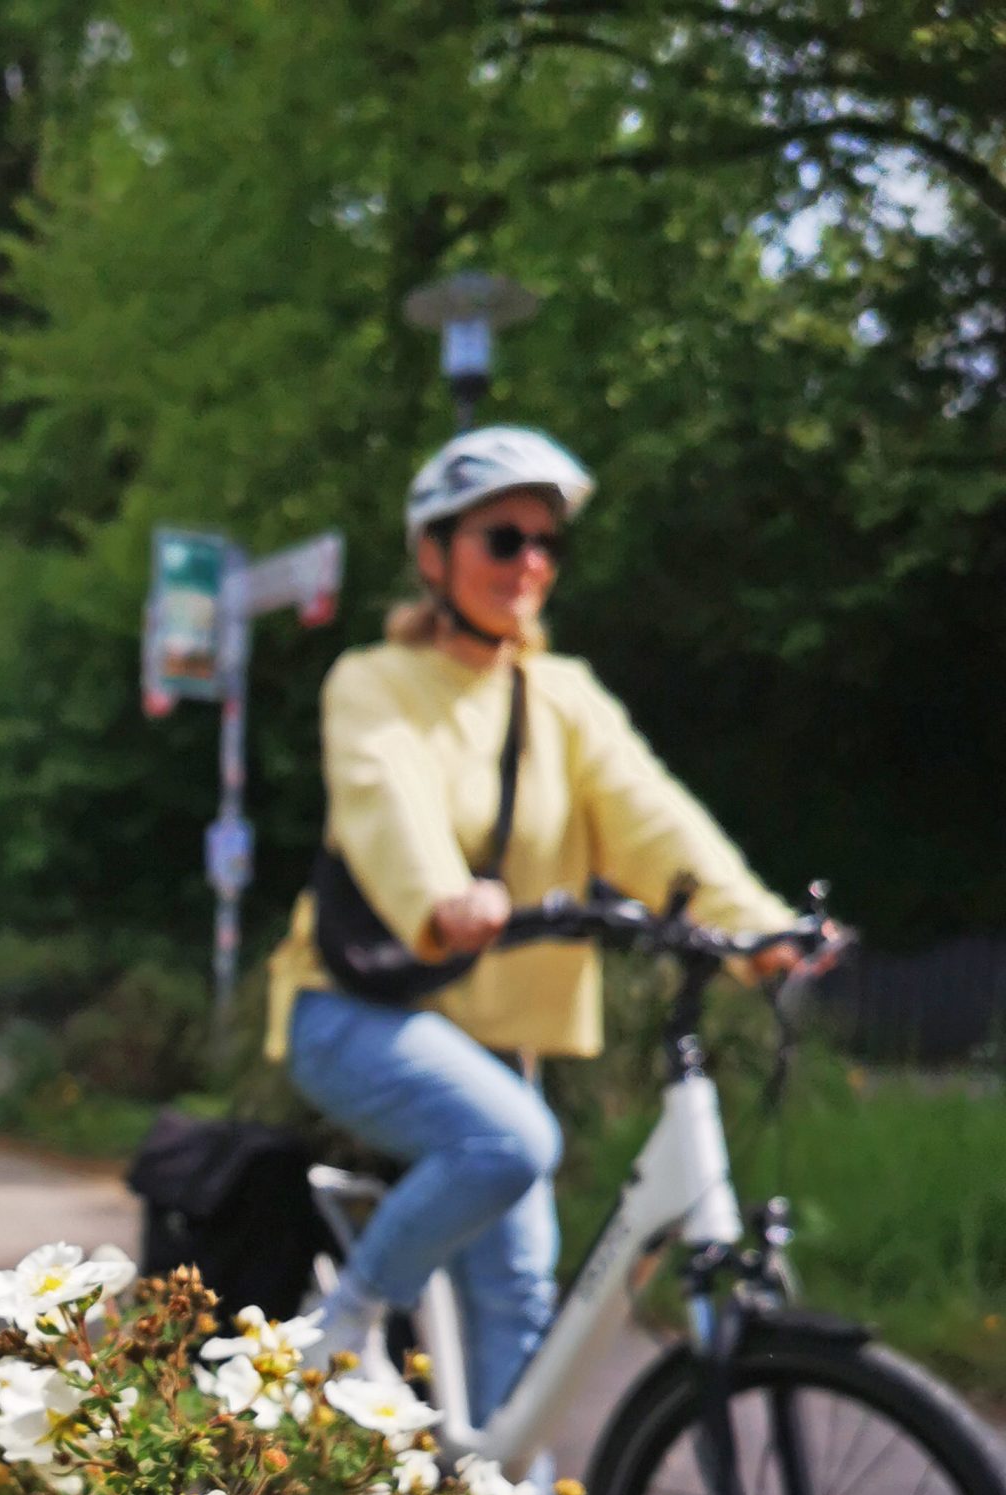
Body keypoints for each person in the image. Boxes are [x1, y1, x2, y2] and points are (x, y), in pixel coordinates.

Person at [266, 425, 804, 1425]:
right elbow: (390, 797)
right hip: (349, 1010)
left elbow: (654, 819)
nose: (530, 563)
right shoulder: (374, 681)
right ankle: (342, 1325)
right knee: (515, 1140)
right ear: (434, 554)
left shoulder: (565, 698)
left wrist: (758, 927)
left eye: (546, 543)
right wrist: (442, 893)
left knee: (519, 1296)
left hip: (498, 1037)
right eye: (501, 539)